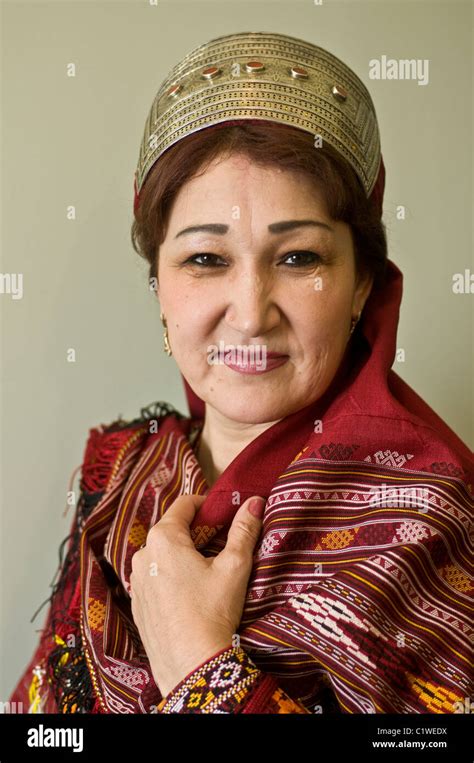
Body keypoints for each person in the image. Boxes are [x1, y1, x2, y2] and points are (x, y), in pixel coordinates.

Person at [9, 31, 472, 715]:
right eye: (205, 260)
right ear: (158, 286)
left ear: (362, 285)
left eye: (299, 258)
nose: (251, 315)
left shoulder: (436, 525)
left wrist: (203, 668)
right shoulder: (123, 477)